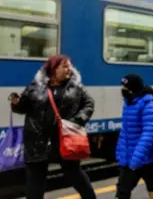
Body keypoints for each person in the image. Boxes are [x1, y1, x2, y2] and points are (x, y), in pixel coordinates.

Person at [9, 54, 96, 199]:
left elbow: (89, 104)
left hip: (64, 138)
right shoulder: (35, 86)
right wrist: (16, 103)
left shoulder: (76, 87)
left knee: (74, 173)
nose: (69, 69)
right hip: (37, 139)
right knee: (35, 180)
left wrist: (77, 121)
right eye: (65, 66)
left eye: (70, 66)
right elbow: (23, 108)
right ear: (54, 69)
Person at [115, 74, 153, 199]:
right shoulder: (129, 102)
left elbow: (148, 135)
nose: (122, 89)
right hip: (130, 156)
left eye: (125, 86)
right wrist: (121, 152)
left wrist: (136, 159)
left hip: (147, 157)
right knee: (122, 190)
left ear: (133, 88)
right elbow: (125, 131)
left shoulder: (149, 104)